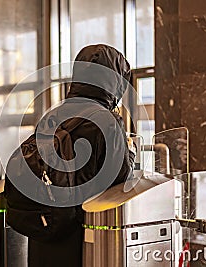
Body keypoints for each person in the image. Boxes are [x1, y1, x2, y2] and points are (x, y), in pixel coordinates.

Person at [28, 44, 135, 267]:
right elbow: (121, 181)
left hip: (45, 227)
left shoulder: (53, 114)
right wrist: (131, 151)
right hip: (82, 234)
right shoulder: (107, 122)